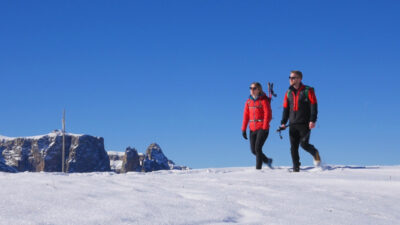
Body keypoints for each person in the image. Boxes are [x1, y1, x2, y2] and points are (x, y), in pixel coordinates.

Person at [280, 70, 321, 172]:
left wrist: (312, 120)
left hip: (305, 123)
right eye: (290, 78)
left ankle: (315, 153)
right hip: (292, 124)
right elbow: (285, 109)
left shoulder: (308, 90)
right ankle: (296, 167)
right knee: (293, 147)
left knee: (304, 144)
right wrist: (283, 122)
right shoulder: (288, 92)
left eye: (293, 78)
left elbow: (314, 106)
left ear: (299, 79)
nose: (291, 80)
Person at [242, 82, 273, 170]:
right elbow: (246, 116)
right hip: (252, 128)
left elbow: (268, 114)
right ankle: (267, 160)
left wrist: (264, 127)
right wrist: (243, 129)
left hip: (262, 128)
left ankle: (258, 170)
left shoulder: (263, 100)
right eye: (250, 88)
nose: (252, 90)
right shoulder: (248, 102)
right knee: (253, 150)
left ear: (259, 90)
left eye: (254, 88)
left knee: (258, 148)